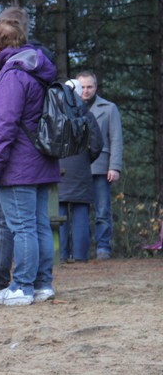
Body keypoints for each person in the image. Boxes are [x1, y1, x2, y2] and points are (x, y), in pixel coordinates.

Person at [0, 18, 60, 306]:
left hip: (18, 165)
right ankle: (42, 284)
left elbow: (3, 127)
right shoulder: (37, 70)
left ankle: (21, 288)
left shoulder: (12, 75)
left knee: (24, 227)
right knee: (38, 225)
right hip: (40, 160)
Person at [76, 71, 123, 260]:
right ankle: (81, 251)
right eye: (83, 87)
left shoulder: (109, 108)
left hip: (102, 167)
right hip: (77, 168)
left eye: (90, 87)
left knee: (103, 210)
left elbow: (116, 139)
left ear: (95, 87)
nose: (86, 91)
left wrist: (115, 167)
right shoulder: (70, 108)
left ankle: (103, 248)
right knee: (80, 212)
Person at [59, 79, 104, 262]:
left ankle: (60, 255)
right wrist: (86, 159)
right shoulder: (87, 114)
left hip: (59, 168)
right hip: (81, 168)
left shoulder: (55, 113)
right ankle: (79, 257)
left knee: (59, 213)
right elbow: (97, 144)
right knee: (80, 214)